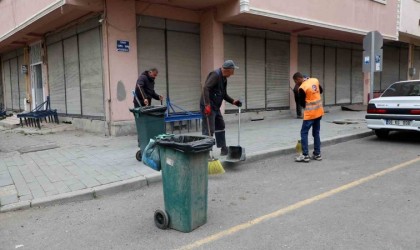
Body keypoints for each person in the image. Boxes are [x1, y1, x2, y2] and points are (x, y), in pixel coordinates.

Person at [200, 60, 242, 156]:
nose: (233, 73)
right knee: (209, 129)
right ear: (228, 70)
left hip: (215, 106)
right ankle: (206, 152)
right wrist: (207, 105)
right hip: (208, 106)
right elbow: (206, 88)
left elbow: (224, 94)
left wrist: (233, 101)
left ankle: (223, 149)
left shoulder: (224, 79)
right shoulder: (215, 75)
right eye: (233, 70)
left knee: (220, 125)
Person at [293, 72, 324, 162]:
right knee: (316, 133)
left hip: (310, 114)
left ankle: (305, 155)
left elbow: (302, 103)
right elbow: (320, 91)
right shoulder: (315, 80)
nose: (296, 83)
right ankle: (317, 154)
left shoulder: (302, 87)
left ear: (299, 79)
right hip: (319, 112)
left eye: (295, 81)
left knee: (304, 133)